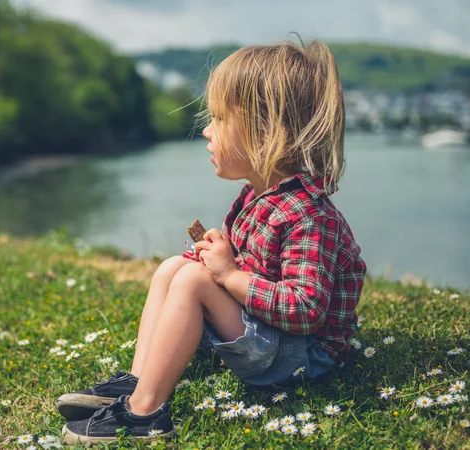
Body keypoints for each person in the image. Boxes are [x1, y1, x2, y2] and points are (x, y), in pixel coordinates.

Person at [58, 38, 367, 444]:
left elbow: (305, 310)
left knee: (191, 281)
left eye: (220, 119)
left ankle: (146, 413)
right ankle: (137, 381)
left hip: (303, 356)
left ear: (265, 130)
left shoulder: (307, 215)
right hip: (267, 332)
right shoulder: (255, 196)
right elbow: (235, 264)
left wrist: (229, 274)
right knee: (175, 268)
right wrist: (211, 259)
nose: (206, 129)